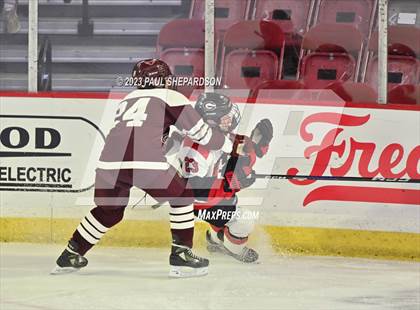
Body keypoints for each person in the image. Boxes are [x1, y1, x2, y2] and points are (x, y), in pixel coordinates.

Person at [52, 59, 233, 278]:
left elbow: (142, 131)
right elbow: (202, 134)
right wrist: (229, 145)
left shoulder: (128, 99)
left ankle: (71, 253)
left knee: (109, 211)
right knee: (182, 196)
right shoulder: (172, 96)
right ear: (162, 79)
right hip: (144, 162)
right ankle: (182, 255)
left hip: (109, 163)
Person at [169, 92, 273, 263]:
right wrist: (230, 185)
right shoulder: (195, 150)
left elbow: (242, 147)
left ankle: (216, 239)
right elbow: (194, 191)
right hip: (196, 203)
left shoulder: (215, 135)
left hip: (212, 196)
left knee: (228, 206)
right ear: (211, 120)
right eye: (225, 117)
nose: (230, 119)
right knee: (243, 221)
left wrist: (258, 144)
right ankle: (232, 249)